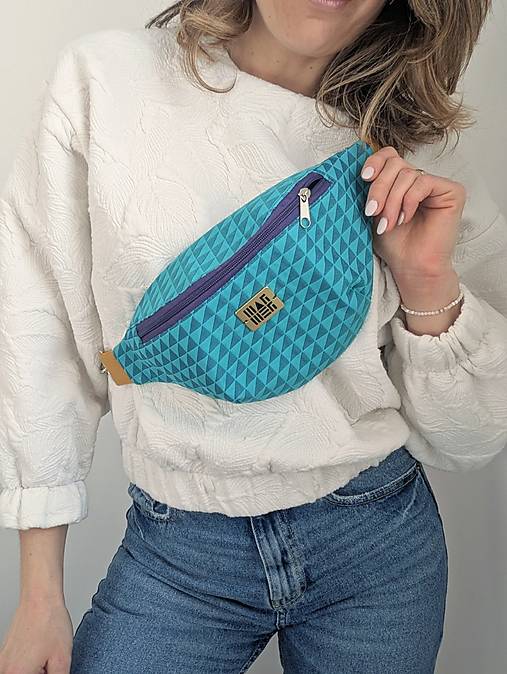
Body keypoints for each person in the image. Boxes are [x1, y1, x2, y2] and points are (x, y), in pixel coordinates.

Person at [0, 1, 506, 672]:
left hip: (376, 540)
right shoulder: (104, 81)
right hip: (178, 553)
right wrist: (39, 595)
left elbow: (469, 440)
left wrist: (424, 279)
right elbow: (41, 337)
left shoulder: (416, 147)